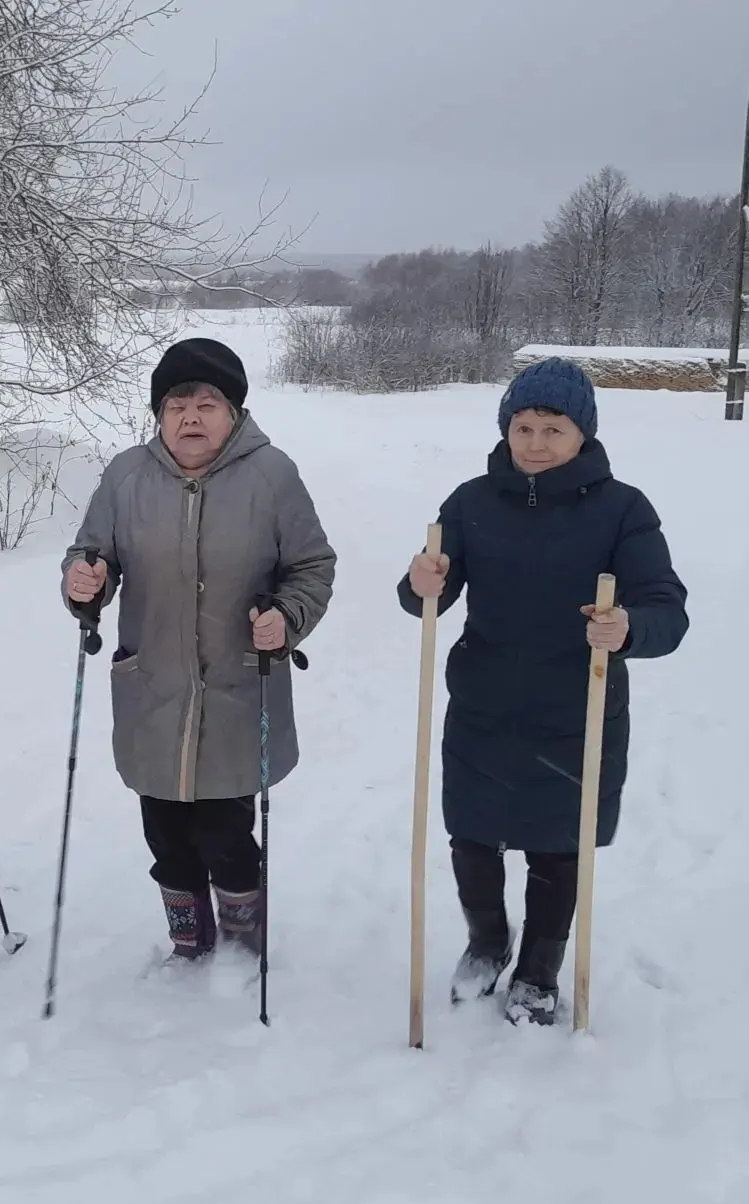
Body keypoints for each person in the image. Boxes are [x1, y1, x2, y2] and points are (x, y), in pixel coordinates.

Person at [400, 357, 687, 1026]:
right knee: (471, 839)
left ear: (581, 434)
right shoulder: (469, 501)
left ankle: (537, 970)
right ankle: (486, 942)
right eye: (522, 427)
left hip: (576, 709)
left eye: (551, 429)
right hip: (482, 706)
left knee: (558, 847)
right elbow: (425, 598)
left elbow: (665, 609)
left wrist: (626, 628)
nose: (533, 443)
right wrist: (420, 583)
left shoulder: (622, 510)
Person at [61, 337, 336, 965]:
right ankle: (189, 938)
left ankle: (242, 939)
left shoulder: (273, 476)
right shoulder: (126, 475)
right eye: (177, 402)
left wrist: (286, 618)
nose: (191, 416)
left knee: (226, 832)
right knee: (164, 831)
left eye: (207, 403)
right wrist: (85, 581)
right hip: (152, 685)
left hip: (237, 689)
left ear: (233, 412)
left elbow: (311, 566)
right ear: (159, 413)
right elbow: (90, 553)